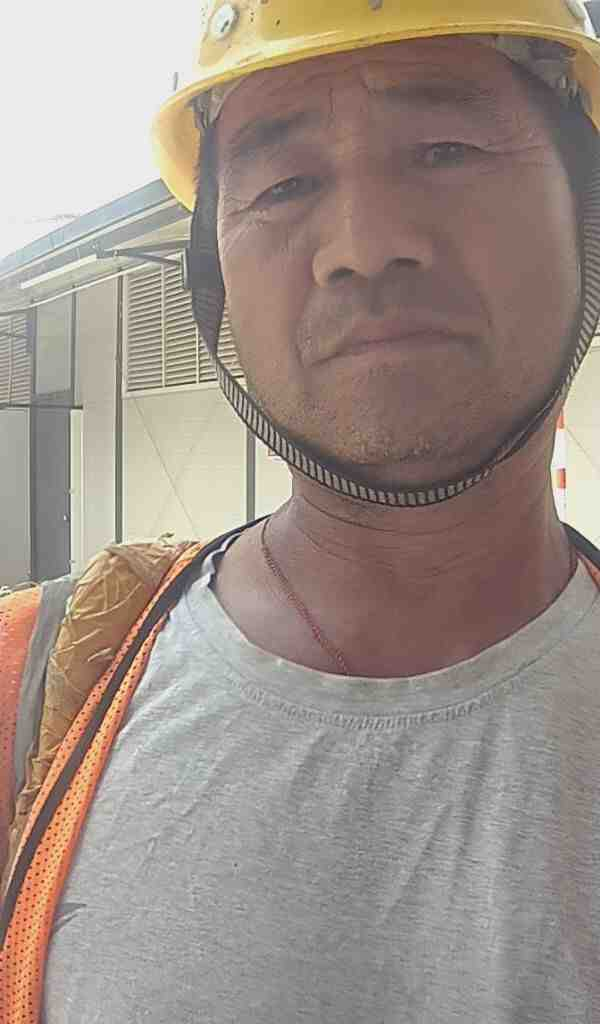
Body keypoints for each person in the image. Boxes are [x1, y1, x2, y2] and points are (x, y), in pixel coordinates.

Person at [3, 2, 600, 1021]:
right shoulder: (31, 693)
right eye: (283, 184)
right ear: (214, 266)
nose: (363, 247)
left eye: (445, 150)